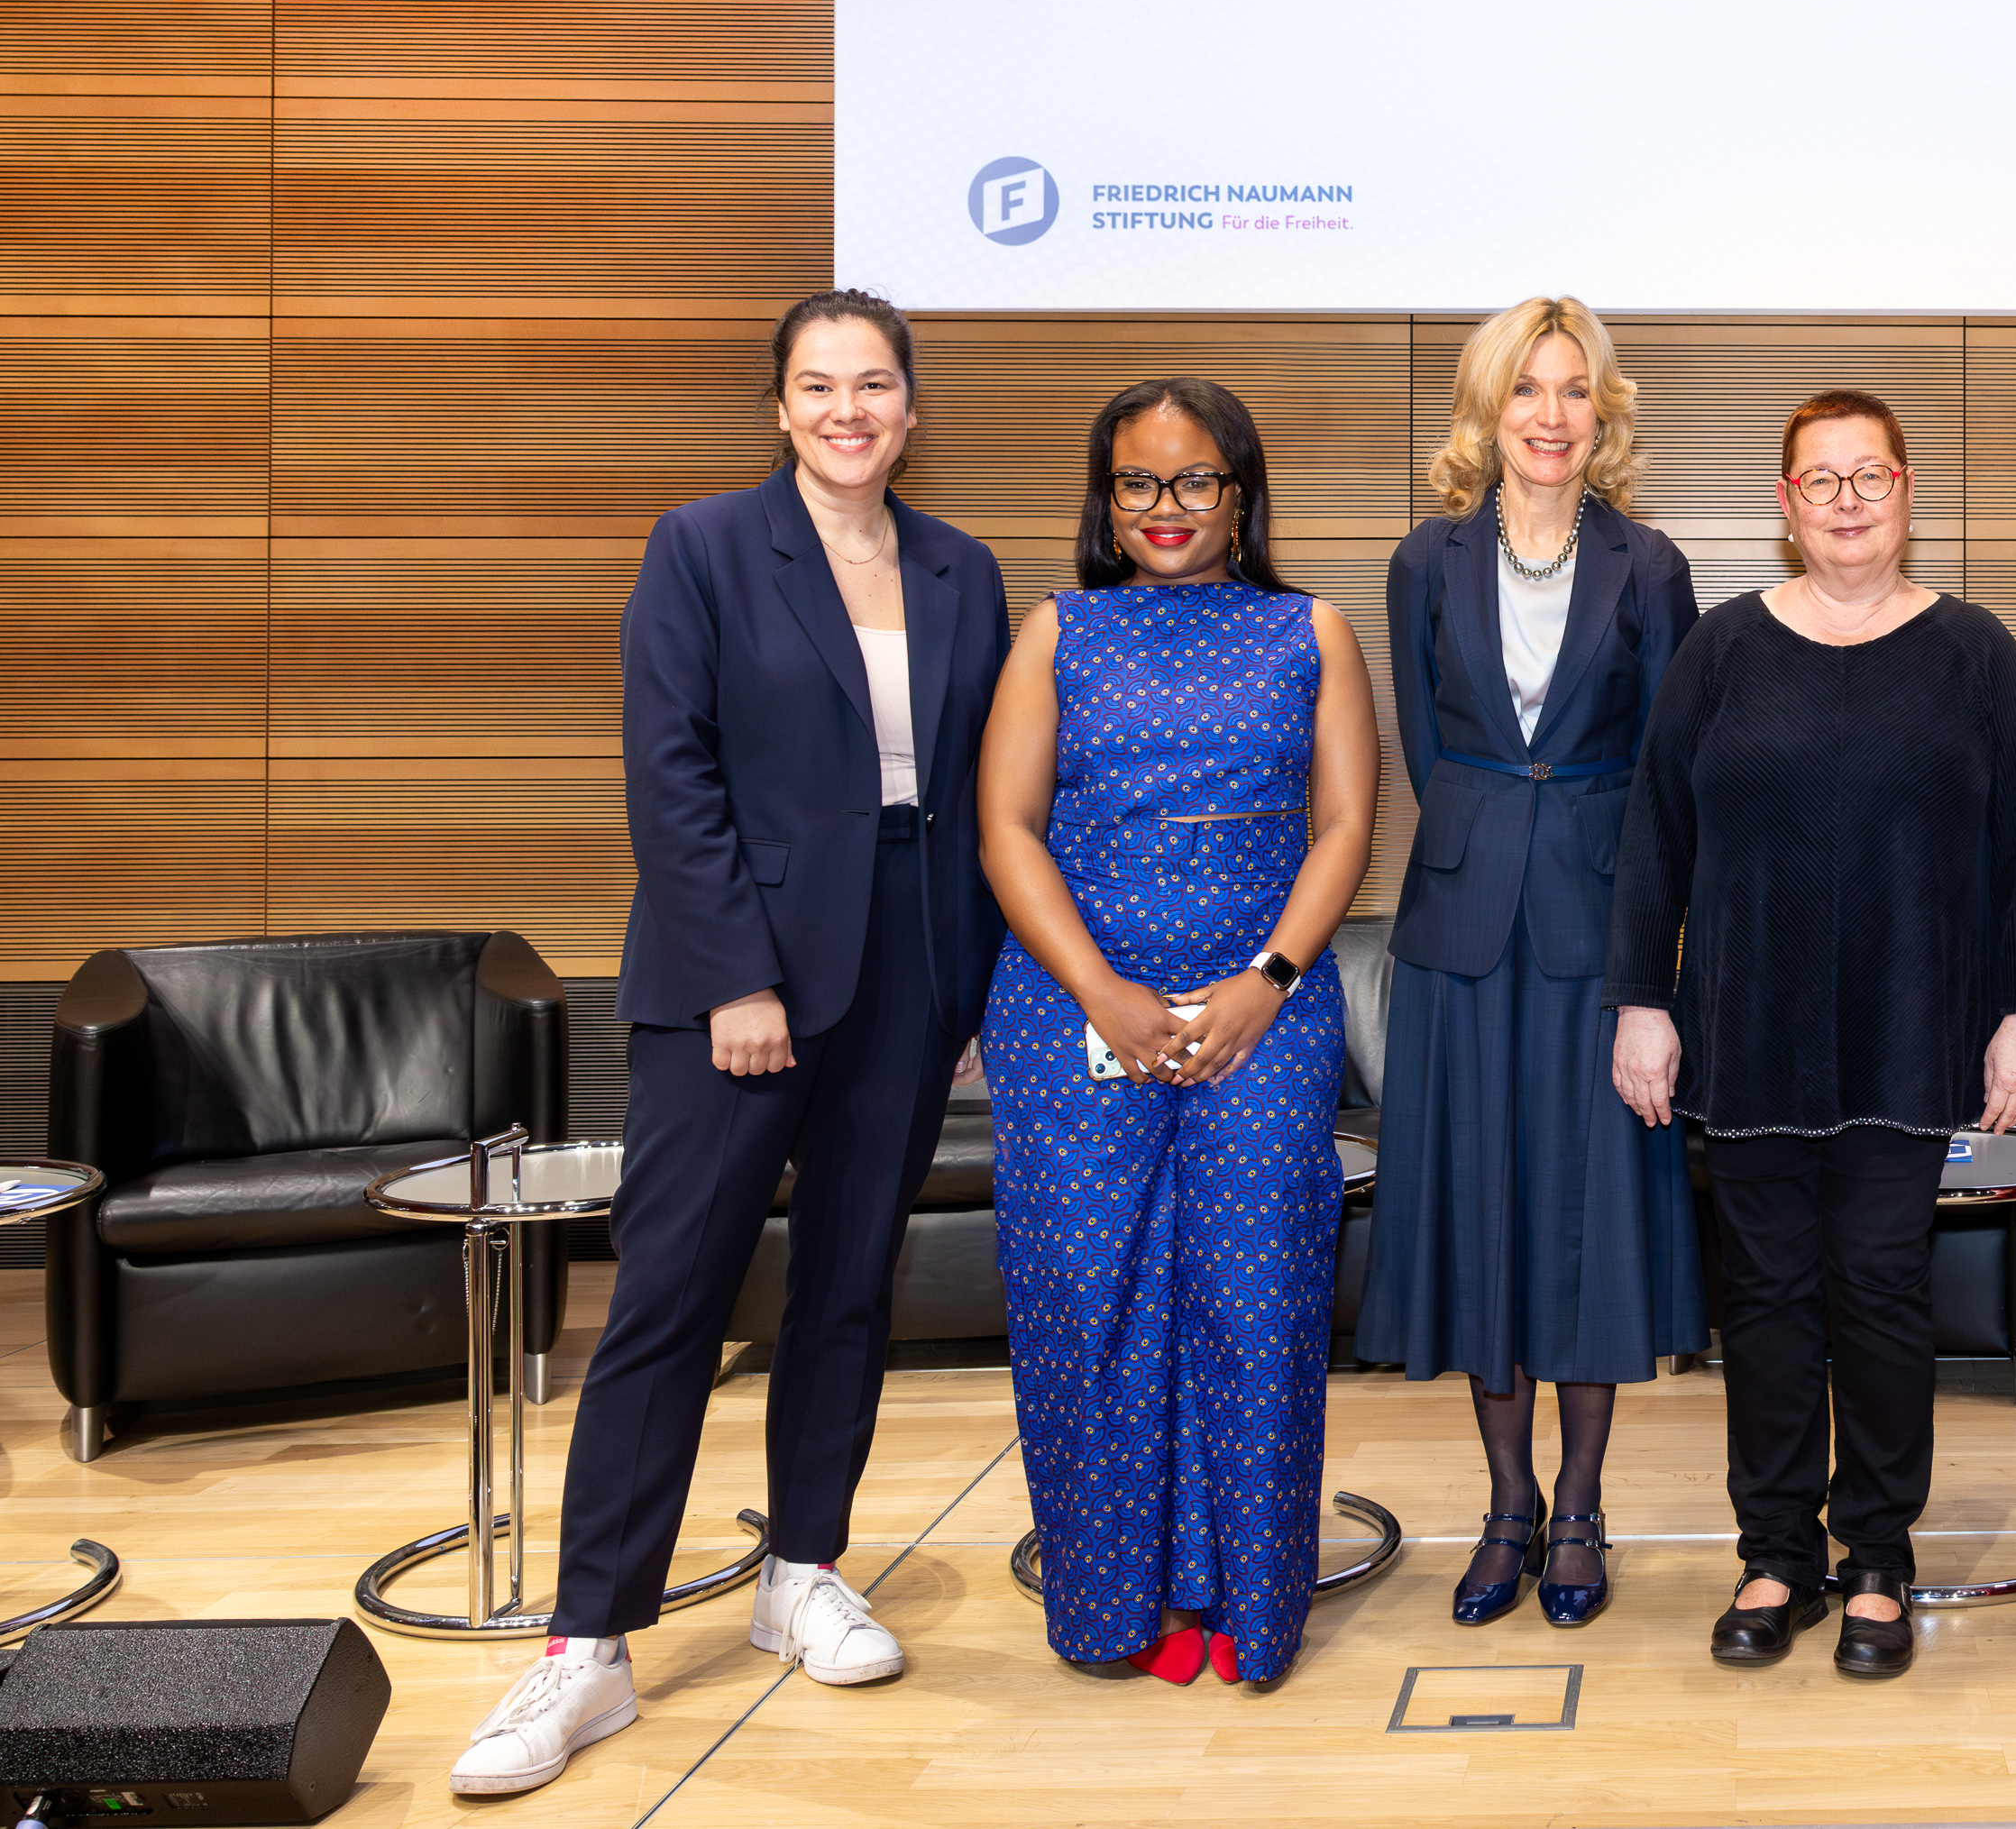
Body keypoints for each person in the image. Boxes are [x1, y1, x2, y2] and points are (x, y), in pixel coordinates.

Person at [453, 291, 1013, 1797]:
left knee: (844, 1290)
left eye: (876, 384)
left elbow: (967, 796)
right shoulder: (701, 548)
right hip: (736, 980)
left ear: (909, 405)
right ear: (780, 406)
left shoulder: (963, 569)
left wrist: (966, 988)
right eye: (820, 385)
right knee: (672, 1300)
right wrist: (736, 980)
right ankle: (588, 1646)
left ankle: (804, 1571)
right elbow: (671, 775)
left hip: (911, 970)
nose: (849, 409)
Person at [1608, 390, 2016, 1681]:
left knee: (1878, 1298)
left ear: (1907, 489)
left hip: (1909, 1034)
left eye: (1870, 475)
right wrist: (1642, 1001)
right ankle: (1777, 1555)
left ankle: (1876, 1555)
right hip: (1745, 1034)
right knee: (1762, 1304)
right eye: (1821, 479)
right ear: (1785, 503)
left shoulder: (1976, 655)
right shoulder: (1719, 653)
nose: (1848, 500)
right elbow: (1656, 839)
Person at [978, 377, 1378, 1688]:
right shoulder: (1057, 632)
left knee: (1254, 1299)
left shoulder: (1310, 630)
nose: (1166, 507)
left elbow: (1344, 830)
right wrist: (1104, 991)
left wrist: (1264, 981)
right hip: (1071, 1006)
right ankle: (1116, 1601)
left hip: (1264, 1007)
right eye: (1138, 483)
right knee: (1090, 1301)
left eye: (1194, 480)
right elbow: (1007, 831)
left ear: (1241, 494)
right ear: (1106, 500)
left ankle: (1244, 1602)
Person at [1358, 297, 1706, 1630]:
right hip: (1457, 936)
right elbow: (1434, 759)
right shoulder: (1422, 560)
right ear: (1488, 411)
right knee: (1480, 1220)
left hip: (1597, 927)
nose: (1552, 415)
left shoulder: (1652, 563)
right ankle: (1505, 1504)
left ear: (1600, 413)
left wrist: (1650, 972)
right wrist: (1489, 844)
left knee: (1588, 1221)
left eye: (1573, 392)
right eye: (1527, 392)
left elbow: (1669, 782)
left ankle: (1580, 1508)